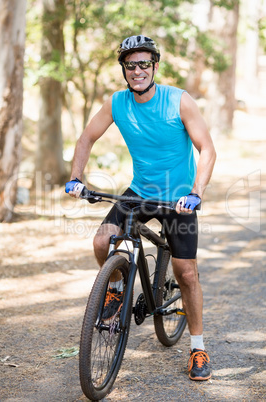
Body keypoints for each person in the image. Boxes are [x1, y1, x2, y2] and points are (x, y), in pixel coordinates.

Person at [65, 35, 216, 381]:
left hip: (178, 197)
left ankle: (197, 347)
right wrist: (76, 177)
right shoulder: (117, 103)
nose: (137, 71)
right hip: (140, 190)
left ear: (155, 66)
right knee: (103, 241)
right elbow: (87, 138)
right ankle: (117, 292)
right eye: (130, 65)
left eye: (144, 63)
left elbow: (207, 149)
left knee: (186, 272)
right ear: (124, 69)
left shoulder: (179, 101)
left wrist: (196, 192)